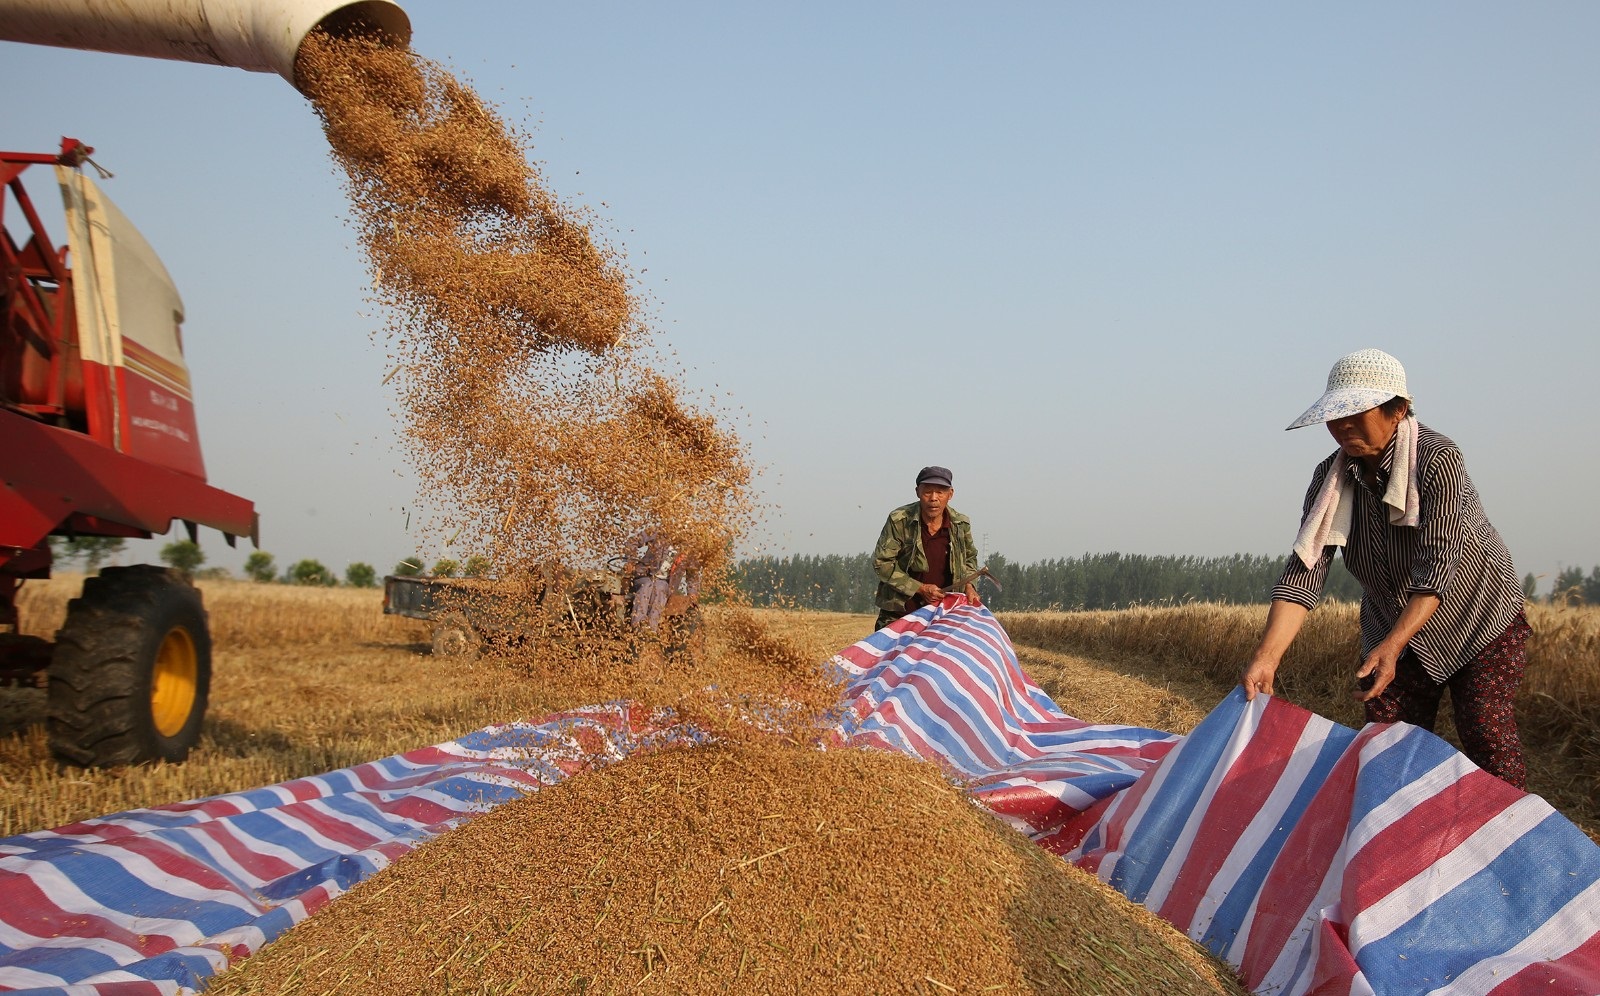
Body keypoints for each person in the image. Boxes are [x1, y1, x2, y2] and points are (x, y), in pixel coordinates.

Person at [1241, 349, 1531, 787]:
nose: (1342, 425)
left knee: (1486, 736)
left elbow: (1437, 567)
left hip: (1478, 618)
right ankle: (1391, 825)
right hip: (1390, 619)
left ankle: (1509, 825)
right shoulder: (1331, 478)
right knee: (1386, 744)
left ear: (1398, 410)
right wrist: (1266, 658)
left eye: (1355, 413)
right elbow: (1305, 571)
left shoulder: (1437, 458)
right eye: (1335, 416)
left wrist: (1394, 645)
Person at [872, 465, 982, 632]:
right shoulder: (900, 520)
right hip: (901, 613)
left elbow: (969, 559)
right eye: (927, 492)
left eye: (940, 492)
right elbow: (882, 563)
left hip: (944, 615)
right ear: (917, 492)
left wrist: (969, 586)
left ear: (950, 494)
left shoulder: (960, 524)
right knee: (889, 649)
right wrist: (920, 588)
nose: (933, 498)